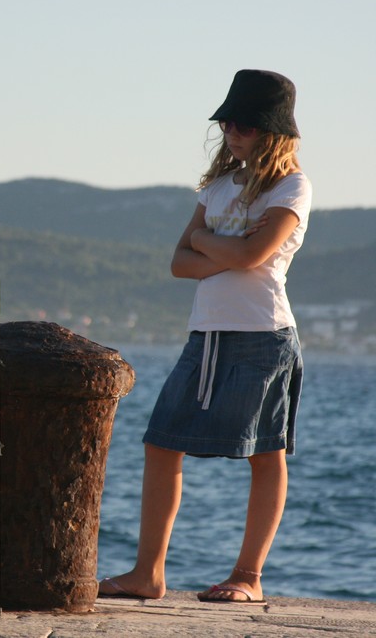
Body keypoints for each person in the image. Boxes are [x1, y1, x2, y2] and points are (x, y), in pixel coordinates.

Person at [98, 70, 311, 604]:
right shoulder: (216, 188)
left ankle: (248, 577)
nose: (232, 131)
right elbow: (178, 263)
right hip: (206, 336)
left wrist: (207, 242)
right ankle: (149, 574)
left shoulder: (292, 188)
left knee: (266, 453)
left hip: (264, 336)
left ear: (271, 130)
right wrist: (213, 242)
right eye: (227, 122)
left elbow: (249, 258)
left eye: (243, 123)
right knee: (160, 443)